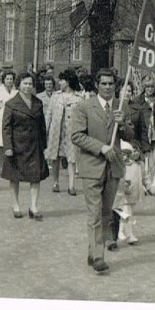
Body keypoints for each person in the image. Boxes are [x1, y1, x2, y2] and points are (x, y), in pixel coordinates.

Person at [70, 68, 135, 274]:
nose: (108, 87)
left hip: (113, 167)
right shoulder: (84, 107)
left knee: (106, 213)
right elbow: (77, 136)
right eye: (104, 83)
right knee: (94, 213)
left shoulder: (121, 106)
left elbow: (131, 135)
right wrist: (101, 147)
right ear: (97, 85)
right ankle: (99, 256)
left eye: (111, 84)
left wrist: (122, 123)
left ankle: (92, 251)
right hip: (92, 166)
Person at [0, 72, 49, 220]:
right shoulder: (11, 104)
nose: (28, 87)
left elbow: (42, 125)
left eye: (30, 84)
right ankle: (16, 205)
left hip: (34, 145)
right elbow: (6, 127)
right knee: (15, 177)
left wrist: (44, 145)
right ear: (19, 85)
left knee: (36, 177)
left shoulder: (38, 103)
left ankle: (33, 206)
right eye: (25, 83)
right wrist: (8, 147)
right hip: (17, 146)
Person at [45, 69, 84, 195]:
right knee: (55, 156)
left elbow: (82, 117)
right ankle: (56, 182)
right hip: (56, 130)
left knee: (72, 158)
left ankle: (71, 185)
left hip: (71, 132)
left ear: (68, 81)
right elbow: (49, 114)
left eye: (62, 80)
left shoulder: (79, 98)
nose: (59, 82)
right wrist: (45, 129)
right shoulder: (55, 96)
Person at [130, 73, 155, 185]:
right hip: (144, 134)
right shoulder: (138, 100)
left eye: (151, 86)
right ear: (143, 87)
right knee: (146, 160)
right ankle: (149, 183)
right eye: (147, 86)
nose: (149, 89)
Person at [112, 140, 146, 245]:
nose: (124, 157)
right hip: (123, 195)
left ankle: (122, 231)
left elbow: (143, 177)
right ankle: (129, 234)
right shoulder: (119, 167)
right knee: (126, 214)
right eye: (122, 154)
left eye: (127, 154)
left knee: (128, 214)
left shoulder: (136, 165)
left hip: (133, 194)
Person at [0, 70, 18, 159]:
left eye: (11, 79)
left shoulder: (16, 91)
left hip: (14, 118)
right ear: (4, 80)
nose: (9, 81)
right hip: (2, 116)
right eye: (7, 79)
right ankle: (1, 164)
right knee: (1, 140)